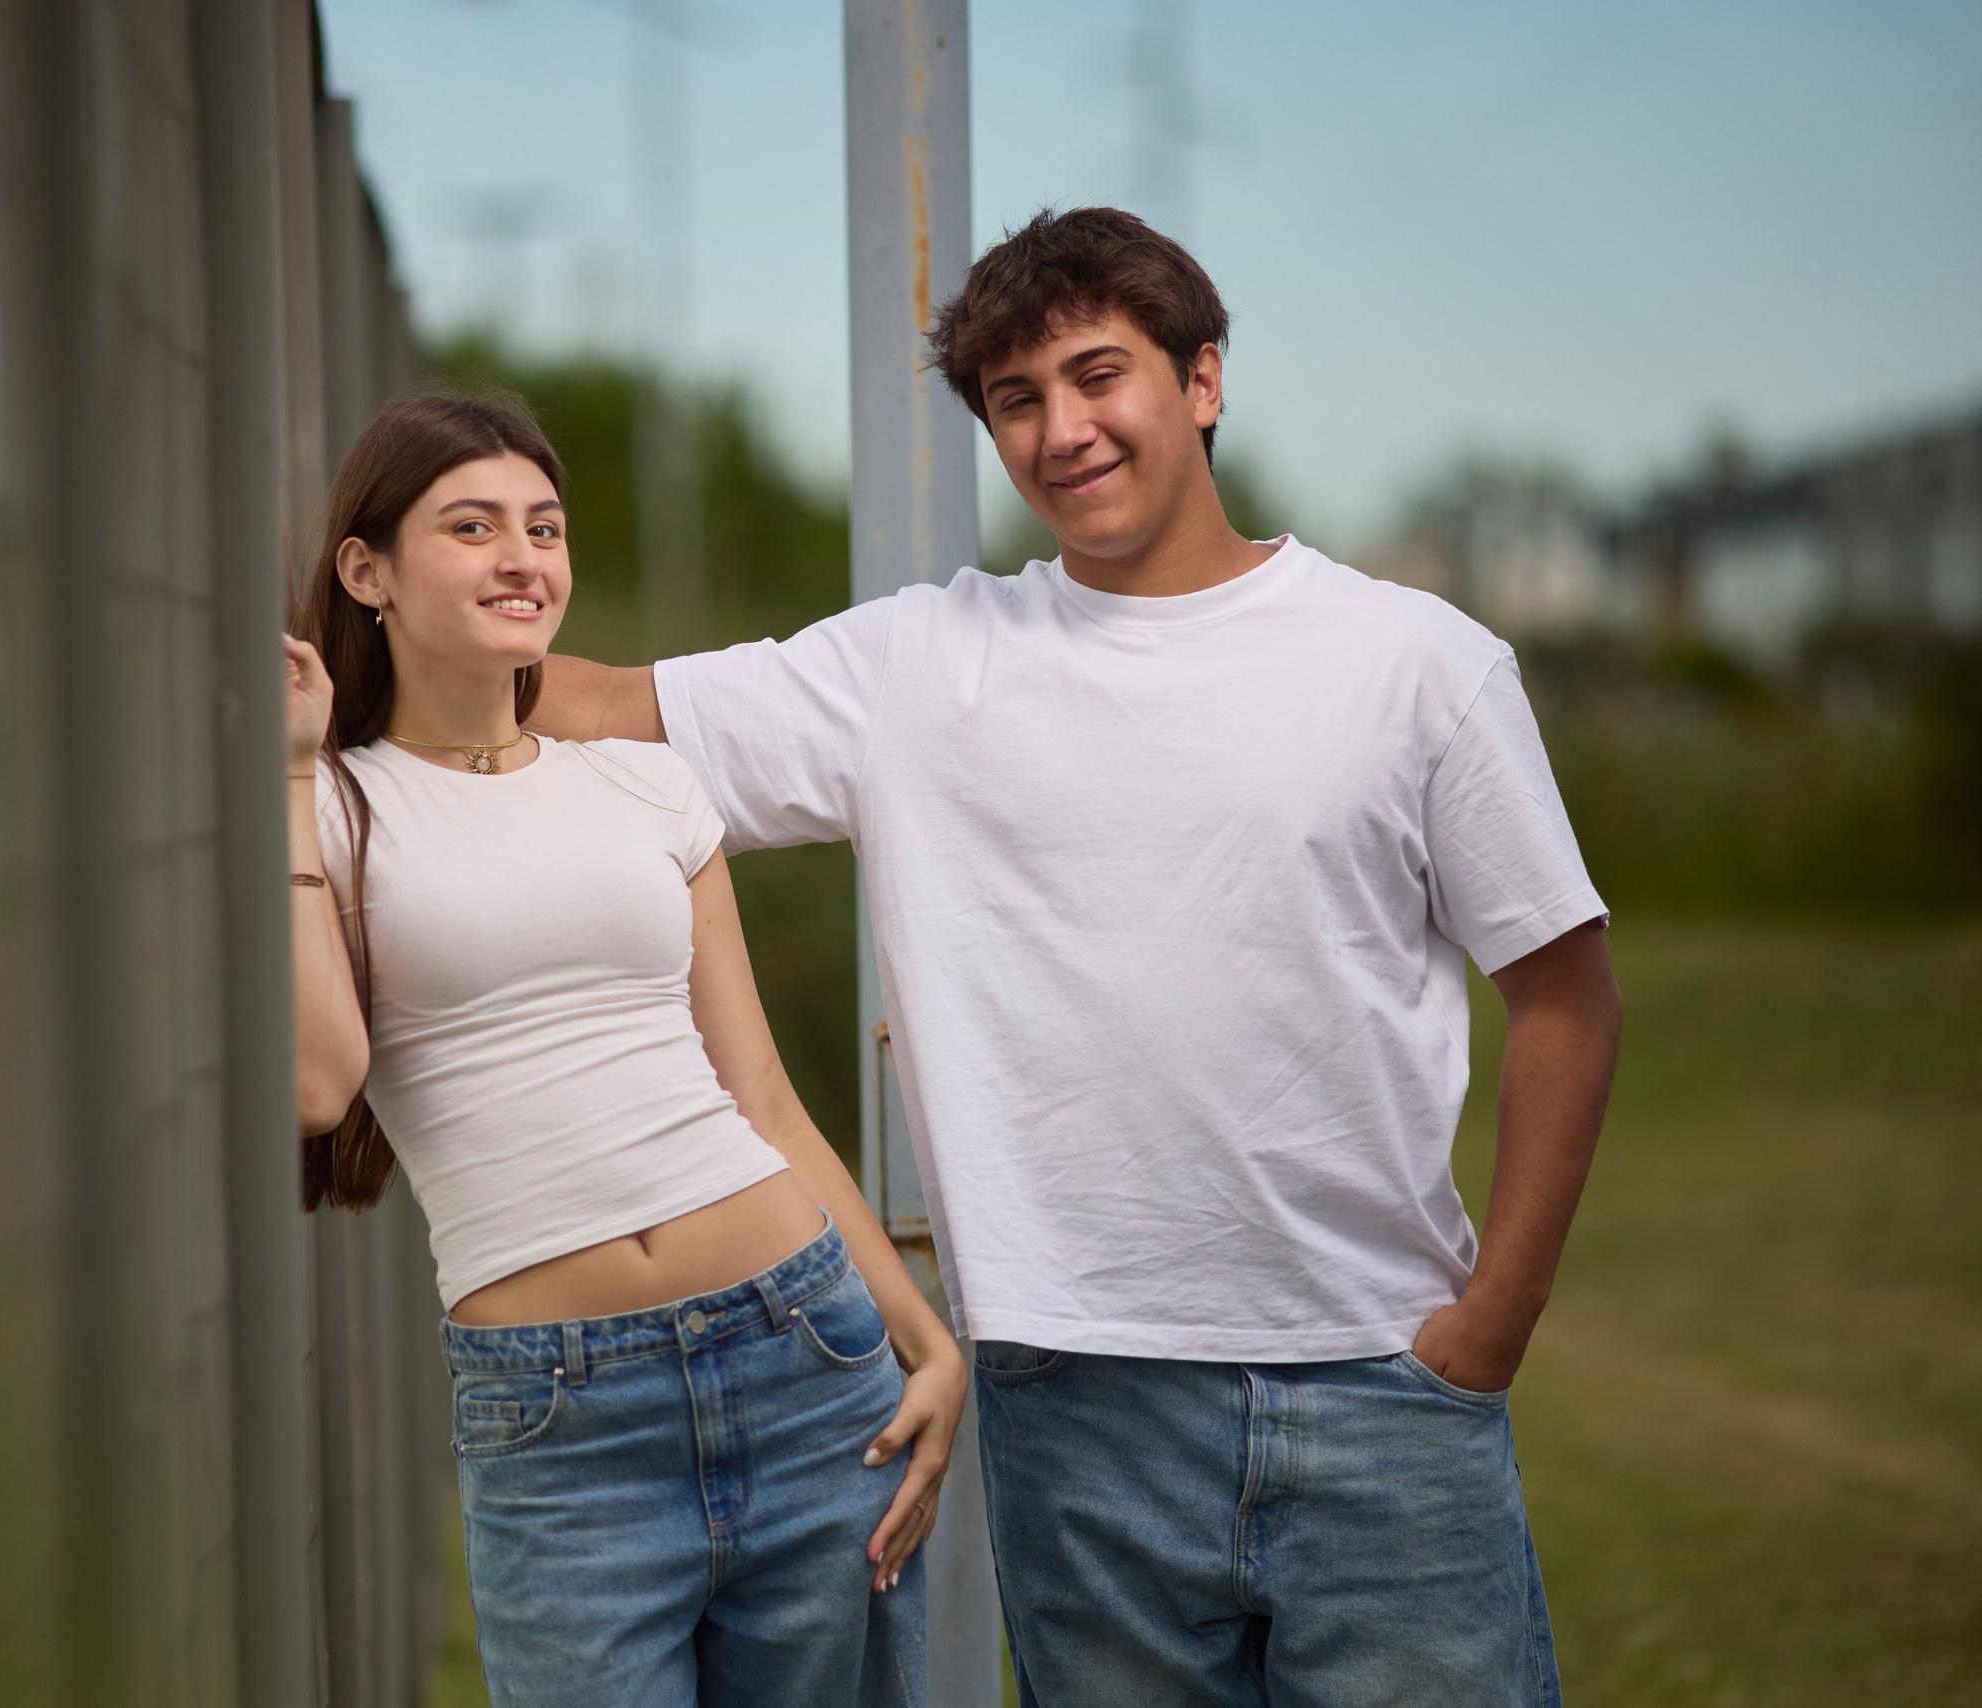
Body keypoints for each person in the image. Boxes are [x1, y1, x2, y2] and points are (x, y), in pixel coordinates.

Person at [527, 207, 1624, 1707]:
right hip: (1076, 1403)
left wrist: (1490, 1326)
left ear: (1204, 380)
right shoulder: (915, 668)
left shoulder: (1416, 662)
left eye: (1099, 375)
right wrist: (359, 645)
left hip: (1385, 1385)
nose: (1062, 430)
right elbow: (602, 708)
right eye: (1016, 400)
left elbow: (1565, 997)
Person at [285, 388, 965, 1708]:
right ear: (365, 570)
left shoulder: (644, 785)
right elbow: (320, 1084)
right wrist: (289, 775)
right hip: (559, 1420)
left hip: (804, 1354)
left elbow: (760, 1095)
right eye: (471, 526)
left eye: (543, 526)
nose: (520, 557)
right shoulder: (334, 803)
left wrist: (922, 1340)